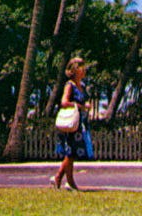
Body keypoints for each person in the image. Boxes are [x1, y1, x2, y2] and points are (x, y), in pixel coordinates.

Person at [51, 57, 93, 191]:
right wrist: (79, 106)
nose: (84, 70)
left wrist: (86, 105)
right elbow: (64, 102)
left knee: (72, 153)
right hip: (72, 123)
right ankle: (69, 182)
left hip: (80, 123)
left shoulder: (83, 86)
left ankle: (59, 177)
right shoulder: (70, 85)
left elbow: (84, 101)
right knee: (70, 152)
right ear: (75, 70)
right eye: (81, 67)